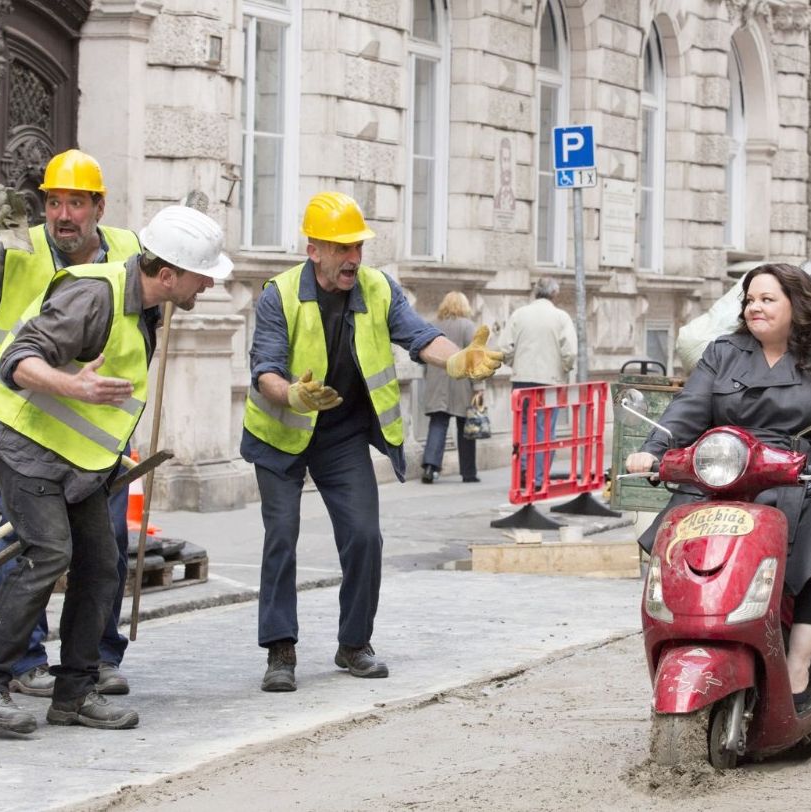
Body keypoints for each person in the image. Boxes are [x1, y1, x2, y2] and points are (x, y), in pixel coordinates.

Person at [0, 204, 232, 734]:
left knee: (103, 565)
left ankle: (74, 694)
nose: (207, 286)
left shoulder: (146, 305)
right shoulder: (95, 293)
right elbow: (19, 360)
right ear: (167, 273)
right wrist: (76, 385)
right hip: (20, 443)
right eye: (202, 275)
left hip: (77, 459)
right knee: (50, 552)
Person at [243, 191, 502, 692]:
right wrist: (292, 394)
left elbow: (418, 334)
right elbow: (264, 371)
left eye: (358, 247)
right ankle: (280, 649)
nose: (354, 258)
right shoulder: (278, 295)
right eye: (343, 249)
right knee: (282, 536)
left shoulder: (378, 289)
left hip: (340, 433)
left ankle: (354, 643)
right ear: (314, 249)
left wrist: (456, 360)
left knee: (365, 536)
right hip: (280, 434)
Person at [0, 149, 141, 699]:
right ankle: (22, 661)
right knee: (30, 545)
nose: (63, 214)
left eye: (75, 202)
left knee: (106, 548)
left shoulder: (128, 250)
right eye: (53, 202)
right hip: (19, 432)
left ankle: (95, 659)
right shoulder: (14, 251)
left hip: (91, 438)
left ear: (99, 206)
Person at [625, 263, 811, 713]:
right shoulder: (724, 352)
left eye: (767, 299)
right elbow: (689, 406)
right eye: (750, 300)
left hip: (810, 472)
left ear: (797, 305)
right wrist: (655, 447)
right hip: (730, 470)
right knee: (676, 533)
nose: (755, 308)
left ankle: (798, 660)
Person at [498, 277, 576, 490]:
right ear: (555, 294)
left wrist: (515, 363)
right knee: (544, 429)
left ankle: (523, 470)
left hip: (522, 379)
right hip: (550, 381)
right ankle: (538, 477)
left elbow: (504, 347)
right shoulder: (561, 317)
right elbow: (570, 352)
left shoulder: (519, 314)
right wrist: (564, 369)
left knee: (523, 426)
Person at [420, 291, 485, 484]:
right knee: (466, 429)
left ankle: (430, 468)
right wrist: (479, 386)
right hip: (461, 384)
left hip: (437, 382)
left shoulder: (433, 325)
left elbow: (424, 354)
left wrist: (428, 376)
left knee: (438, 424)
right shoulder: (468, 326)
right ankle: (468, 473)